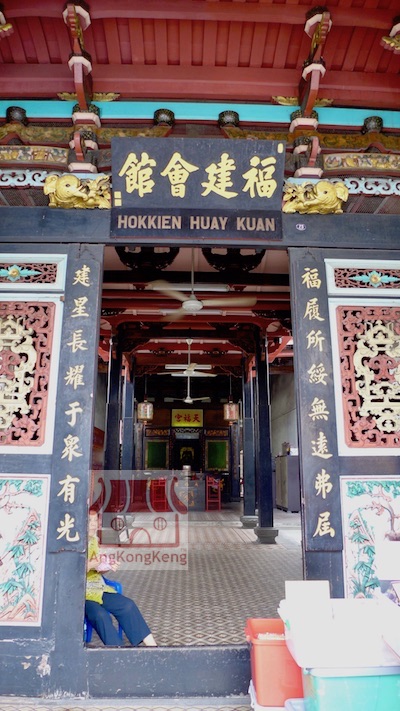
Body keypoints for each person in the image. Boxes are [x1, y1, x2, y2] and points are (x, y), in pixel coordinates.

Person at [85, 508, 157, 647]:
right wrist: (89, 565)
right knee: (100, 615)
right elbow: (71, 571)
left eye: (95, 520)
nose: (93, 524)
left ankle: (154, 648)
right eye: (89, 521)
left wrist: (106, 566)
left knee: (127, 605)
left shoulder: (94, 540)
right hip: (82, 594)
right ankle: (117, 651)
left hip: (98, 588)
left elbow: (97, 568)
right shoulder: (73, 544)